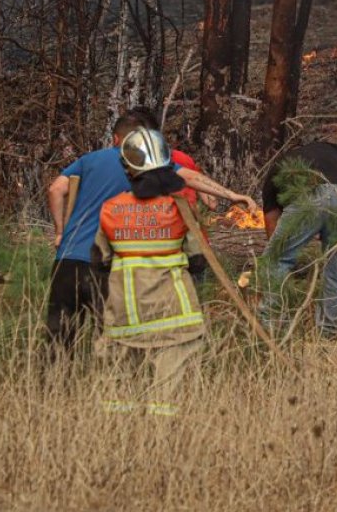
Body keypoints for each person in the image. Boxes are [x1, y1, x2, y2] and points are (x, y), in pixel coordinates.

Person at [45, 115, 255, 353]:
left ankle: (52, 386)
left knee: (58, 339)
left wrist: (61, 232)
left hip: (67, 261)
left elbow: (56, 189)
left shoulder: (89, 160)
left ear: (116, 138)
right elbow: (191, 177)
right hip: (105, 266)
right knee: (115, 341)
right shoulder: (141, 163)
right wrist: (231, 195)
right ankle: (113, 386)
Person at [92, 128, 208, 417]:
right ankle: (162, 443)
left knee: (116, 391)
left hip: (124, 315)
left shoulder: (110, 208)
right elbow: (197, 259)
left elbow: (99, 259)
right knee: (168, 395)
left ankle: (116, 439)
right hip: (174, 315)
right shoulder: (179, 207)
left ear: (128, 169)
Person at [258, 141, 337, 339]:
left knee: (275, 261)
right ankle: (327, 335)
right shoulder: (331, 149)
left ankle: (272, 331)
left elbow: (272, 229)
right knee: (336, 270)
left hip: (307, 197)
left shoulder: (277, 168)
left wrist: (286, 253)